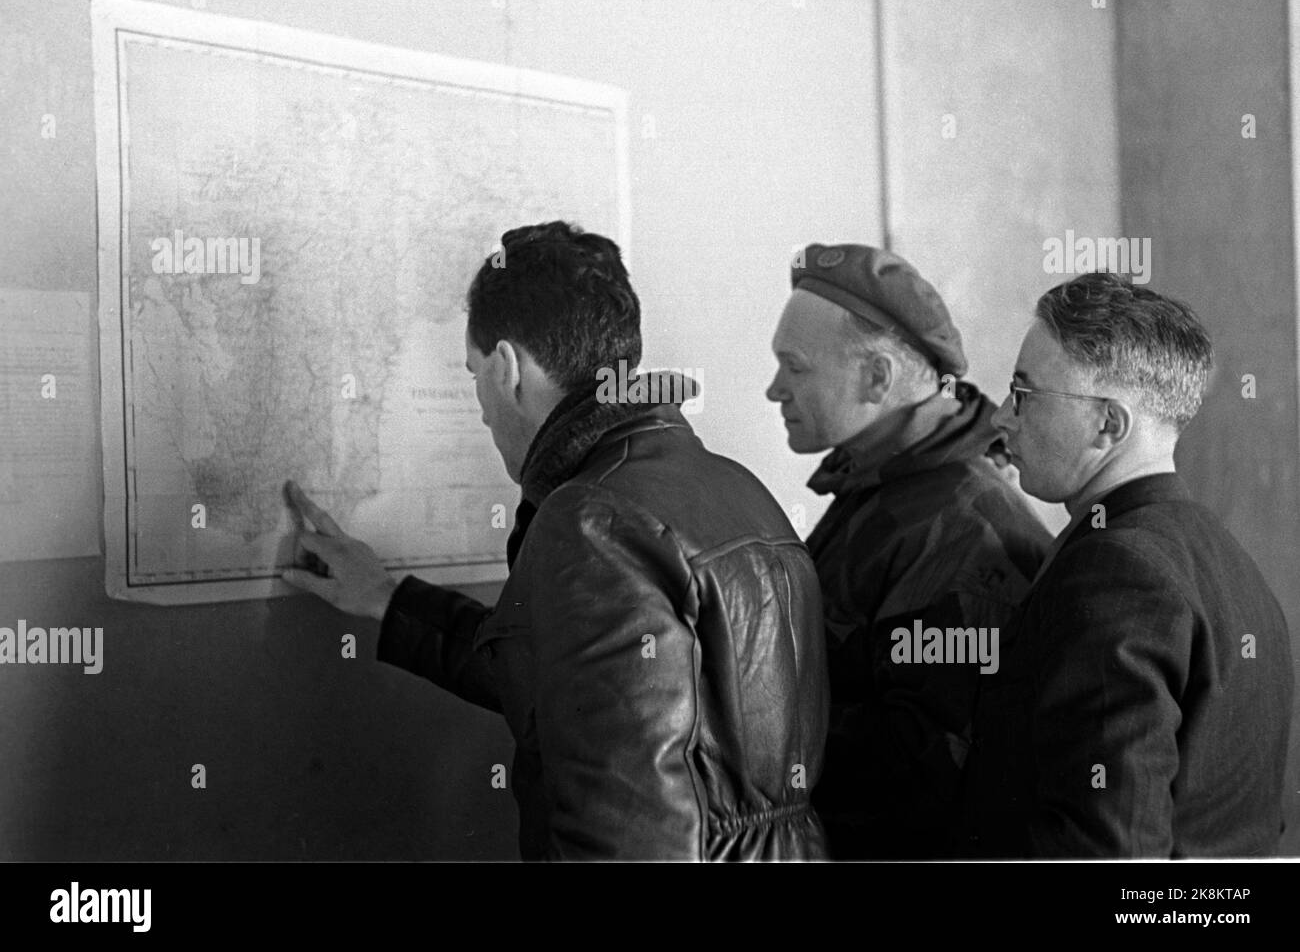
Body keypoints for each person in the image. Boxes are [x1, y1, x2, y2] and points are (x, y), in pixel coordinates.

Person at [283, 221, 828, 861]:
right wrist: (385, 596)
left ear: (509, 368)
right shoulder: (737, 488)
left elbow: (626, 832)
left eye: (474, 373)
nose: (482, 405)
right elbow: (563, 683)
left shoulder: (593, 522)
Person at [960, 273, 1294, 857]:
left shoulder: (1116, 572)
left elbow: (1110, 851)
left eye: (1024, 394)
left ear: (1109, 424)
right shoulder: (1229, 562)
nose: (1001, 419)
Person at [766, 243, 1050, 858]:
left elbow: (925, 775)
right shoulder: (888, 487)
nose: (773, 390)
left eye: (794, 367)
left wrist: (746, 723)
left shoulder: (960, 529)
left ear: (877, 378)